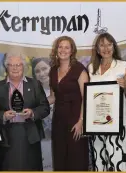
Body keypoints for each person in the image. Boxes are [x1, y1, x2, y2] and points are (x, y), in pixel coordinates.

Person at [0, 52, 50, 171]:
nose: (15, 68)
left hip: (30, 136)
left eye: (18, 64)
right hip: (7, 138)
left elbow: (45, 107)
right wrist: (3, 115)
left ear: (23, 66)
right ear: (6, 67)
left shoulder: (35, 84)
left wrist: (32, 113)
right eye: (11, 65)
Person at [87, 33, 126, 171]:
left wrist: (125, 84)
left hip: (117, 121)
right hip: (96, 121)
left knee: (116, 159)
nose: (106, 48)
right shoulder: (91, 68)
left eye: (109, 44)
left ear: (114, 46)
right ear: (97, 49)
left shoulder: (123, 65)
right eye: (102, 45)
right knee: (99, 160)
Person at [48, 36, 89, 171]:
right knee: (60, 159)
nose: (63, 50)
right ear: (56, 49)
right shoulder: (53, 70)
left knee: (76, 160)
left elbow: (86, 97)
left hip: (75, 122)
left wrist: (81, 121)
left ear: (72, 51)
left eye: (67, 47)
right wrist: (35, 105)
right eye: (60, 47)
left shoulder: (80, 70)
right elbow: (53, 97)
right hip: (58, 121)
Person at [31, 57, 53, 170]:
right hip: (41, 143)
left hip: (60, 140)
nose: (41, 73)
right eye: (37, 71)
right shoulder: (32, 93)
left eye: (44, 69)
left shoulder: (61, 89)